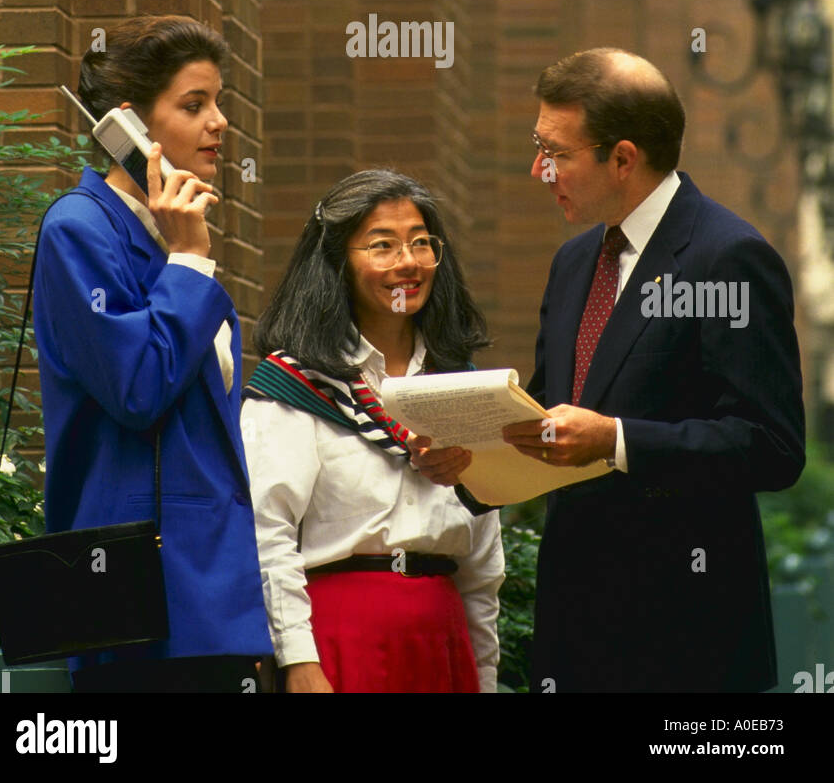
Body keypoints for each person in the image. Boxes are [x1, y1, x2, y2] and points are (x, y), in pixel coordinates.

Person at [416, 48, 805, 693]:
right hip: (578, 628)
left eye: (556, 152)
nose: (537, 170)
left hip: (687, 640)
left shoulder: (729, 257)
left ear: (623, 158)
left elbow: (771, 446)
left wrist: (618, 440)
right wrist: (471, 459)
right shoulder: (574, 263)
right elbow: (552, 422)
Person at [33, 14, 272, 692]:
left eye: (218, 102)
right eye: (194, 105)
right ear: (128, 126)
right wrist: (191, 262)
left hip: (211, 603)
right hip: (136, 601)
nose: (219, 123)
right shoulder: (80, 230)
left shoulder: (170, 233)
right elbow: (138, 387)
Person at [241, 169, 505, 693]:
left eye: (421, 243)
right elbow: (266, 534)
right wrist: (298, 660)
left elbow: (482, 563)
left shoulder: (466, 388)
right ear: (337, 262)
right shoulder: (297, 384)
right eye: (382, 245)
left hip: (442, 643)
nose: (407, 262)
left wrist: (486, 675)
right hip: (341, 641)